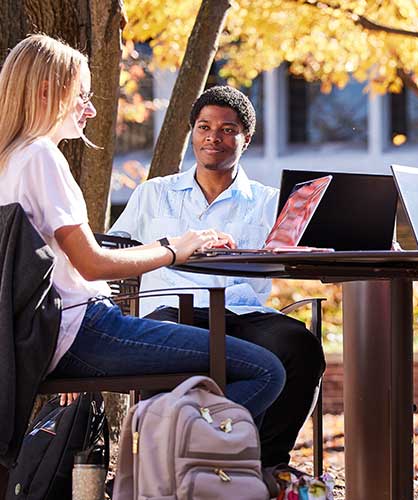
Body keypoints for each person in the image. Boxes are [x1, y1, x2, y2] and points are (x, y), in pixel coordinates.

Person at [0, 35, 285, 421]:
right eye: (83, 95)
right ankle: (176, 462)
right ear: (50, 91)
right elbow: (94, 264)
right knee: (266, 370)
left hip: (39, 338)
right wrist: (174, 247)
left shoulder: (10, 160)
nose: (90, 111)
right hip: (83, 329)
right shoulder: (41, 157)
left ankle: (177, 459)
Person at [110, 85, 326, 468]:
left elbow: (313, 246)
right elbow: (112, 254)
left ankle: (265, 464)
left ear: (246, 138)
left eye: (228, 129)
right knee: (159, 349)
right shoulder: (153, 194)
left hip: (241, 315)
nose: (213, 137)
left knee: (300, 347)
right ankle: (169, 466)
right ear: (192, 132)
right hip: (171, 311)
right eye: (204, 127)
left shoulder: (269, 201)